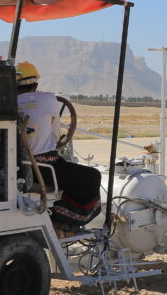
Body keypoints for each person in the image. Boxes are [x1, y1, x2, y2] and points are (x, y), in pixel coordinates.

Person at [15, 61, 102, 228]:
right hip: (45, 168)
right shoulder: (48, 98)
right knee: (92, 176)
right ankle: (63, 219)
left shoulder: (7, 102)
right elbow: (55, 135)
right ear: (36, 84)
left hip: (17, 167)